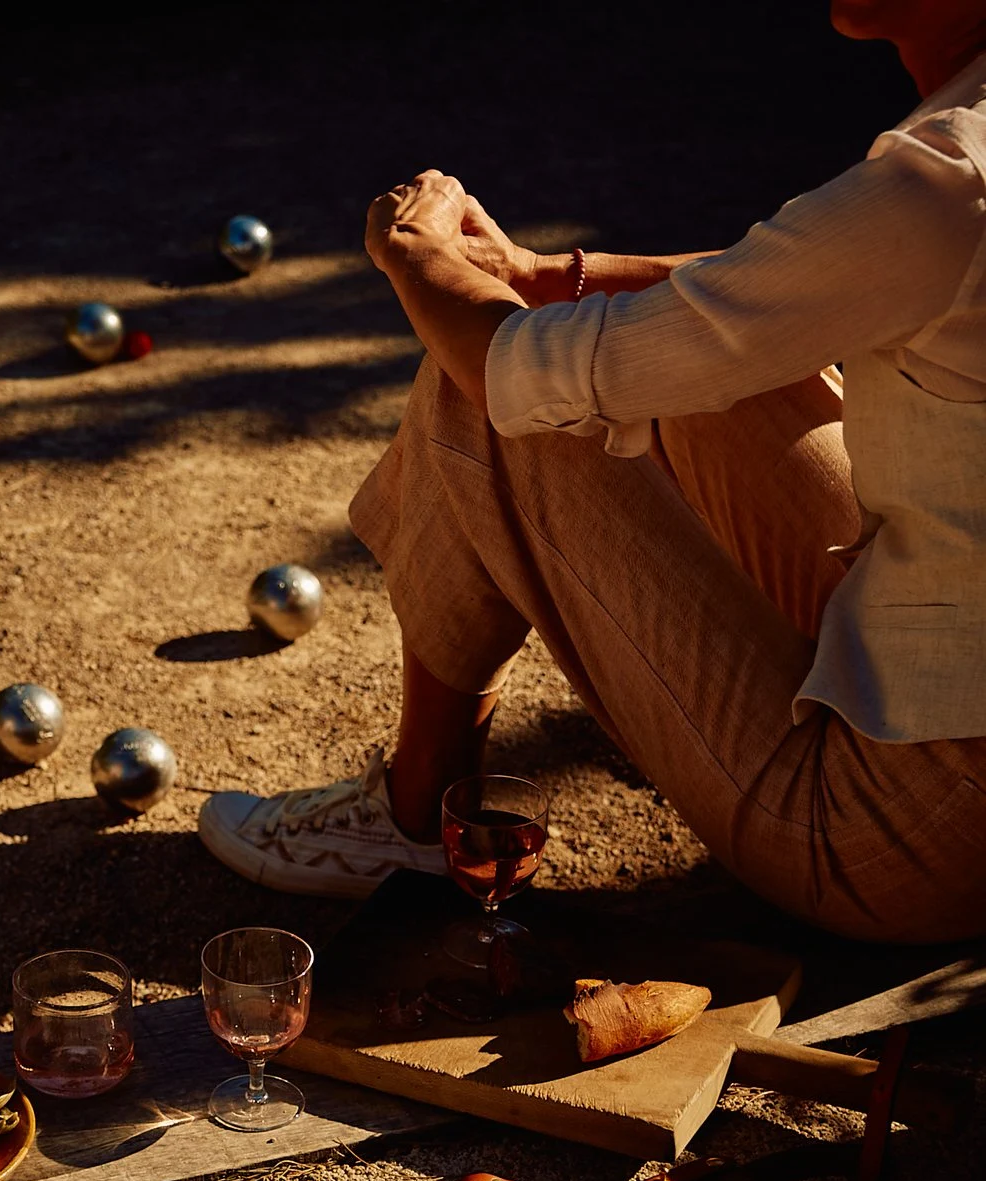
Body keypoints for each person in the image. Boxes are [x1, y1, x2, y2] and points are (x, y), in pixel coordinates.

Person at [198, 0, 986, 945]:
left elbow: (521, 371)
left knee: (498, 399)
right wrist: (543, 273)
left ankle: (418, 816)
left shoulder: (950, 180)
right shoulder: (952, 168)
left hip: (916, 835)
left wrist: (413, 255)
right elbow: (801, 281)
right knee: (654, 362)